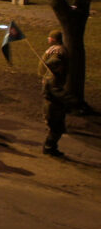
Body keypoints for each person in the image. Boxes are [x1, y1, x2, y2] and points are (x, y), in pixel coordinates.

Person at [41, 29, 70, 157]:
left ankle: (50, 146)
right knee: (55, 126)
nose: (48, 39)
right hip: (52, 100)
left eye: (49, 37)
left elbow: (54, 61)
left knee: (56, 125)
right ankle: (49, 147)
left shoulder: (57, 51)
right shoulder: (58, 50)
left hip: (53, 98)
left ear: (54, 39)